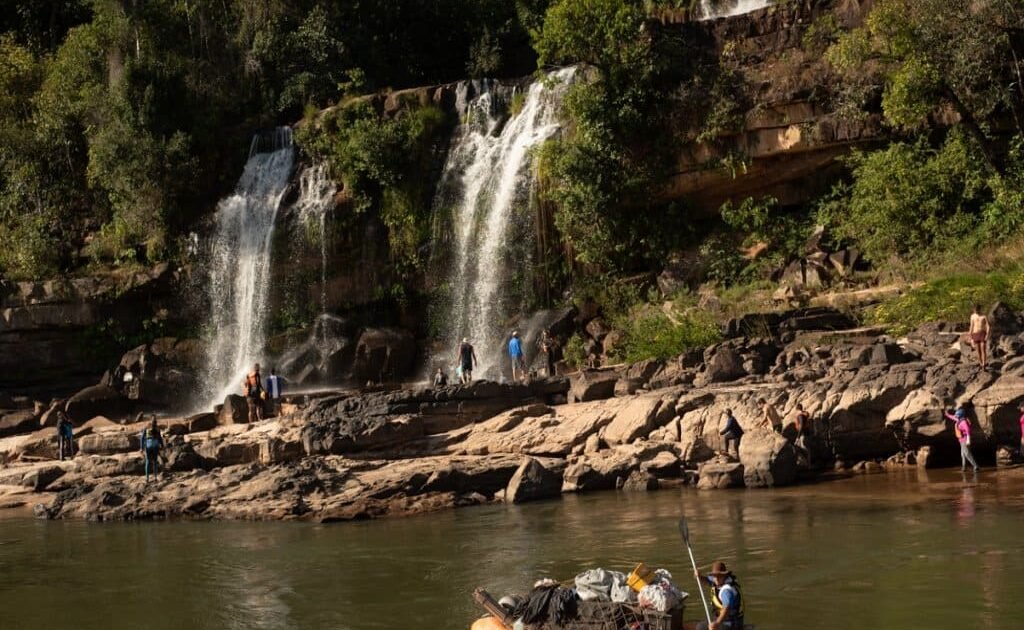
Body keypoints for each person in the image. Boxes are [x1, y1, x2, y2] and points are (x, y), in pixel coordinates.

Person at [694, 561, 745, 630]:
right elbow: (707, 580)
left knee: (701, 628)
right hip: (721, 619)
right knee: (700, 626)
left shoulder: (726, 591)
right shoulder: (717, 581)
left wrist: (717, 623)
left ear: (724, 575)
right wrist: (699, 576)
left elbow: (726, 609)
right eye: (715, 576)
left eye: (719, 576)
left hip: (730, 623)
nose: (717, 579)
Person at [944, 406, 979, 472]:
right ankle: (964, 467)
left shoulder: (963, 422)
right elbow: (953, 417)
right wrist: (947, 414)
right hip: (961, 440)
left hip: (965, 440)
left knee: (967, 453)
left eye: (957, 415)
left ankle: (975, 466)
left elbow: (968, 430)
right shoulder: (959, 419)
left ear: (960, 415)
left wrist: (968, 440)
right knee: (963, 454)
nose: (956, 416)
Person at [140, 418, 164, 483]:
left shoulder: (146, 428)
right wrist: (162, 445)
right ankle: (155, 478)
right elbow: (160, 438)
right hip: (155, 445)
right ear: (156, 423)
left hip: (148, 445)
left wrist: (141, 448)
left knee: (147, 462)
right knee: (155, 462)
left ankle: (147, 479)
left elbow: (142, 438)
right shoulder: (157, 429)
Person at [969, 304, 990, 370]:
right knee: (978, 350)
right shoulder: (972, 316)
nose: (976, 311)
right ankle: (981, 363)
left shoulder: (984, 316)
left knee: (983, 348)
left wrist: (987, 335)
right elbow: (971, 326)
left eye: (977, 310)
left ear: (979, 309)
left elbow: (988, 326)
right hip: (975, 333)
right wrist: (971, 338)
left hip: (982, 333)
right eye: (975, 310)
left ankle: (984, 364)